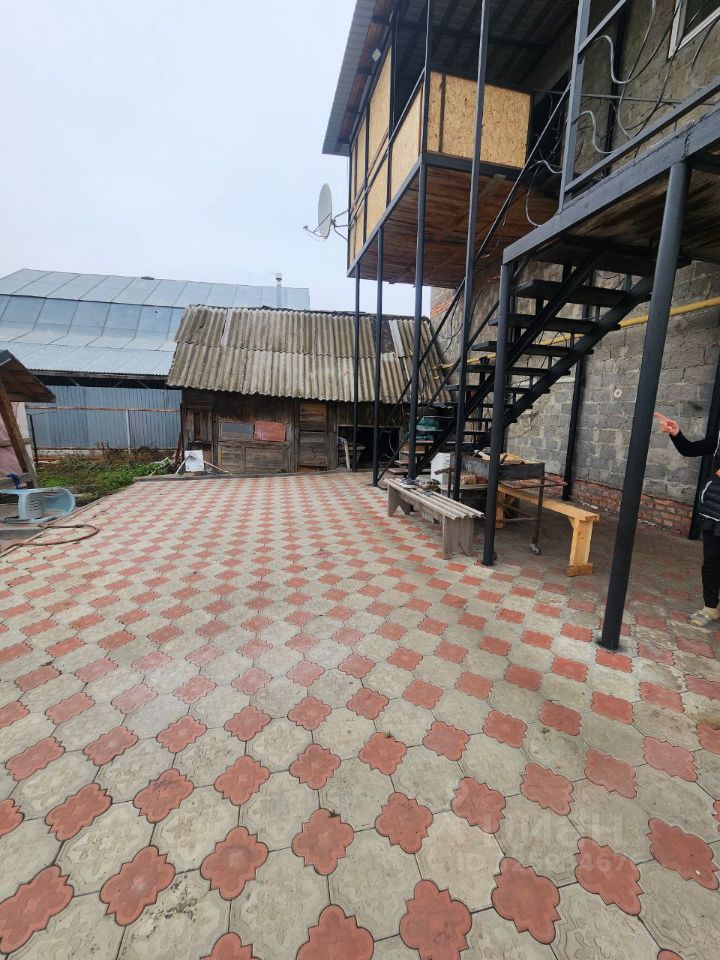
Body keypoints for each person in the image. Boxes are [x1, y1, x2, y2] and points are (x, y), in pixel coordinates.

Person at [655, 411, 720, 628]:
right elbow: (690, 450)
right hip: (715, 511)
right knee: (712, 562)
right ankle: (710, 607)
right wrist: (677, 434)